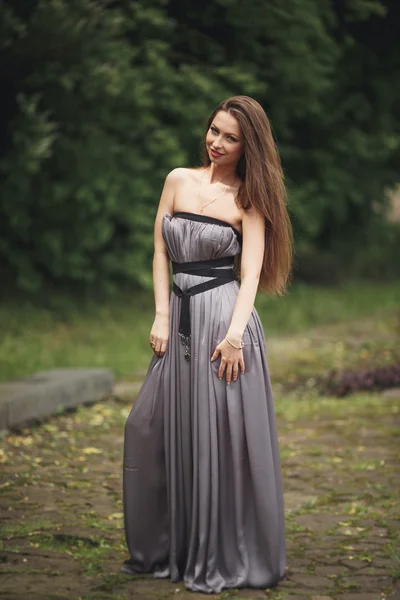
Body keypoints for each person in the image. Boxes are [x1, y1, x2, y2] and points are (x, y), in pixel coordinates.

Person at [121, 95, 293, 594]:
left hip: (224, 324)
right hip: (177, 318)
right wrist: (160, 313)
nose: (216, 143)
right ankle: (170, 545)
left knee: (220, 436)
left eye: (230, 137)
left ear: (248, 146)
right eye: (213, 131)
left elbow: (253, 270)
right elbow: (159, 249)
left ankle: (222, 549)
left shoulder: (249, 197)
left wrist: (236, 335)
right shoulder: (178, 179)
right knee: (148, 425)